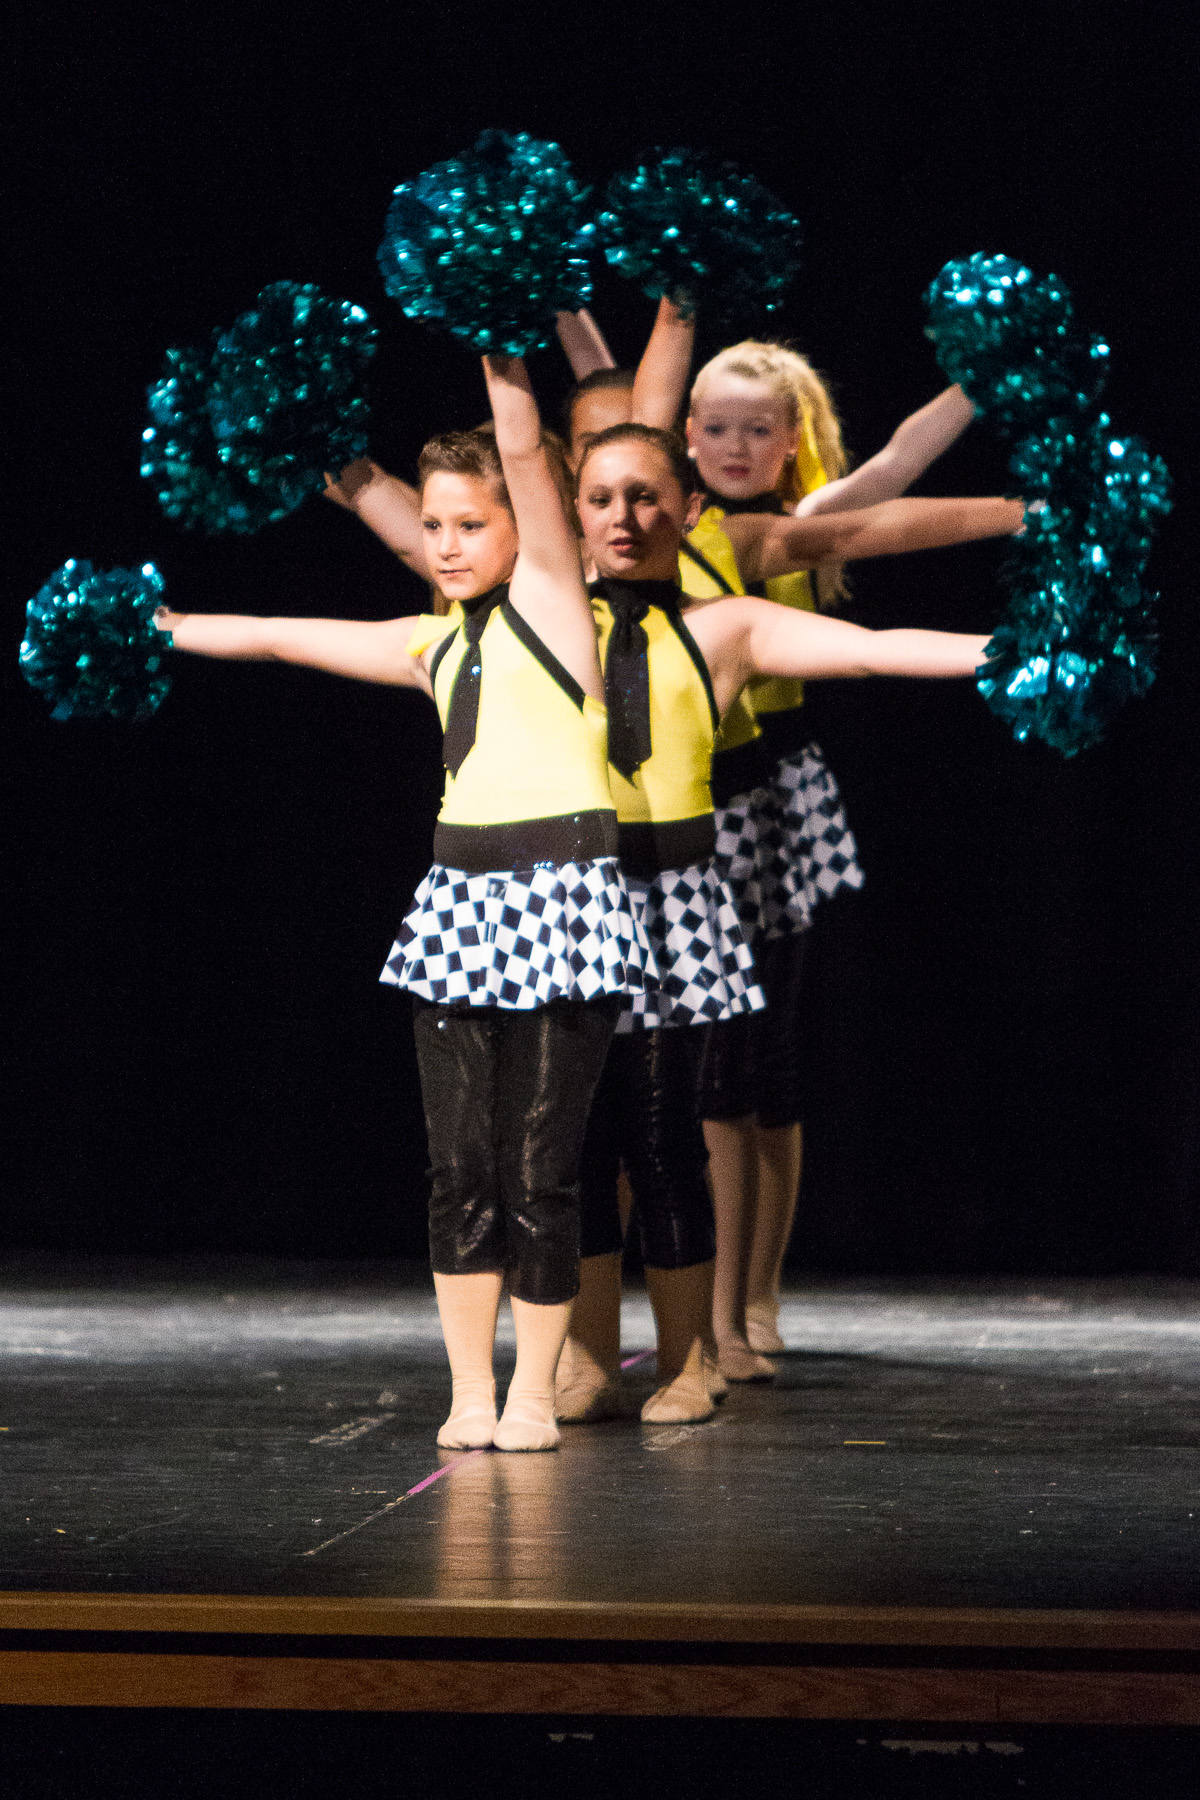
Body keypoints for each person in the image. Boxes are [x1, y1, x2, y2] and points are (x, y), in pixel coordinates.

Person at [154, 355, 650, 1453]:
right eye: (434, 527)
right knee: (459, 1169)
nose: (448, 544)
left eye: (472, 524)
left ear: (524, 529)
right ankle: (471, 1391)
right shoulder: (432, 645)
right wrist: (162, 626)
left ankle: (535, 1393)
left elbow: (524, 449)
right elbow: (283, 632)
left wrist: (497, 341)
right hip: (460, 909)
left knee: (540, 1169)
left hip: (559, 904)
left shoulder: (560, 614)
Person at [561, 420, 1022, 1413]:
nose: (623, 520)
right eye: (600, 500)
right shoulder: (543, 622)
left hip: (676, 908)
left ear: (689, 512)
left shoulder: (723, 623)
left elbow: (871, 649)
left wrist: (1020, 653)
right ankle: (587, 1358)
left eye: (646, 499)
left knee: (667, 1134)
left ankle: (692, 1357)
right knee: (574, 1150)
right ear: (571, 510)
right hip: (569, 912)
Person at [678, 338, 978, 1374]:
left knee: (764, 1067)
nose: (734, 444)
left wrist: (988, 377)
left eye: (758, 429)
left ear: (790, 440)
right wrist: (572, 302)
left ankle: (754, 1296)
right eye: (714, 426)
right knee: (706, 1071)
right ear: (684, 431)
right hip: (677, 797)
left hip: (768, 799)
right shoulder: (659, 523)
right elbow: (603, 399)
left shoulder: (789, 529)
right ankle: (711, 1303)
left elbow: (891, 478)